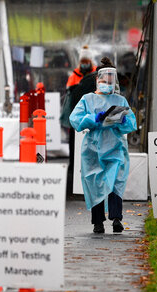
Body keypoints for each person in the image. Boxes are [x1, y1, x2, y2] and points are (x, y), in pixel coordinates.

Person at [69, 57, 137, 234]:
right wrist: (93, 119)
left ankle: (116, 219)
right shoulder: (87, 99)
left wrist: (118, 120)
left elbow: (131, 123)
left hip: (115, 147)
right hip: (93, 149)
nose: (107, 83)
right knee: (95, 182)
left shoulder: (120, 101)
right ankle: (97, 222)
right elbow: (74, 119)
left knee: (115, 182)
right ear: (97, 80)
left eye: (110, 80)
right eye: (103, 80)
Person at [62, 45, 97, 195]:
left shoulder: (97, 74)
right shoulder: (74, 75)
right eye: (82, 61)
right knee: (73, 141)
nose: (84, 63)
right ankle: (73, 167)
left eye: (86, 61)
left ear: (90, 61)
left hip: (91, 114)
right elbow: (69, 92)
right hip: (77, 114)